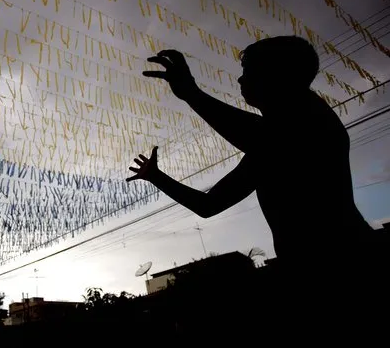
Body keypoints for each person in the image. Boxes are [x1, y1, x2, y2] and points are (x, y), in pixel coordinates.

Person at [127, 37, 383, 337]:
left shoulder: (311, 121)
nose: (240, 78)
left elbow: (265, 137)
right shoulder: (270, 145)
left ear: (278, 75)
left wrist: (191, 94)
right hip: (314, 280)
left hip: (348, 275)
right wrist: (157, 176)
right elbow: (208, 206)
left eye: (249, 70)